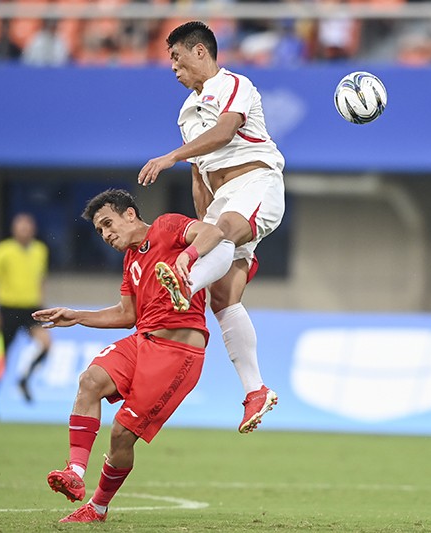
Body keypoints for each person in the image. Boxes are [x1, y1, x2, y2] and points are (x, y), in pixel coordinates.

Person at [32, 188, 229, 523]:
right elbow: (127, 314)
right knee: (90, 380)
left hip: (177, 352)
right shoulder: (131, 261)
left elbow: (214, 232)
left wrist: (187, 256)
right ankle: (75, 472)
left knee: (122, 434)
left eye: (108, 224)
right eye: (99, 231)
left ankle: (98, 507)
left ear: (130, 214)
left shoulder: (166, 227)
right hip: (142, 340)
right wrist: (77, 316)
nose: (105, 234)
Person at [137, 20, 284, 434]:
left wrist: (170, 156)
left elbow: (224, 132)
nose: (172, 67)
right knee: (223, 298)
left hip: (257, 182)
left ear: (200, 51)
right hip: (222, 200)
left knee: (225, 228)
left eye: (176, 57)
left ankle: (185, 278)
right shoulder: (186, 112)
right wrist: (203, 225)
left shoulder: (234, 84)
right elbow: (199, 175)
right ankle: (255, 391)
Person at [0, 212, 52, 421]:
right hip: (8, 310)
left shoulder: (40, 250)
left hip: (31, 309)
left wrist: (42, 303)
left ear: (33, 230)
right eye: (21, 227)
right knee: (0, 358)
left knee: (46, 343)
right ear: (14, 230)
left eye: (28, 227)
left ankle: (24, 380)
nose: (25, 231)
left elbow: (41, 278)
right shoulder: (3, 250)